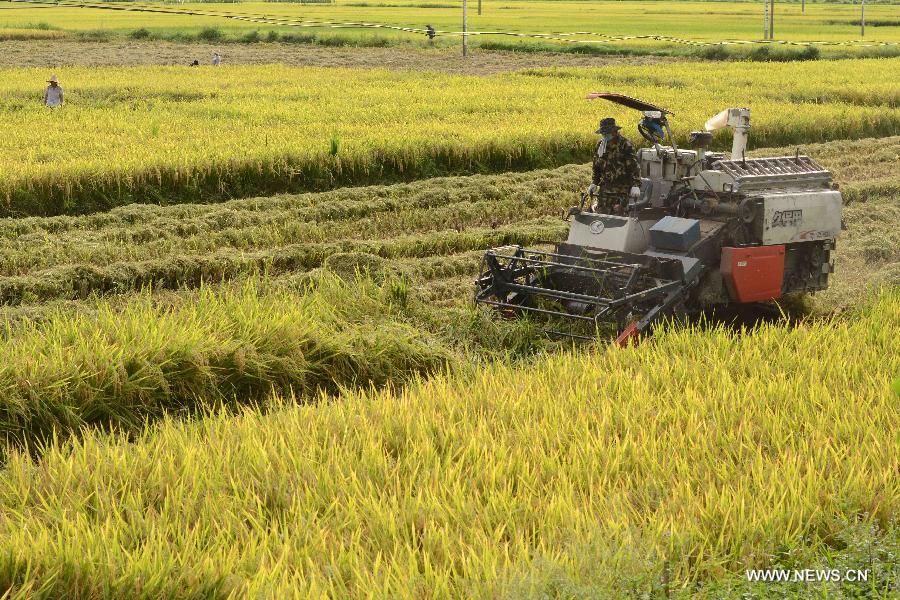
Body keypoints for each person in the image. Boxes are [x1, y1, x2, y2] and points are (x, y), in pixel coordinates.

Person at [589, 117, 641, 214]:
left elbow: (634, 167)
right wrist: (594, 182)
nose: (605, 135)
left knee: (618, 218)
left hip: (621, 190)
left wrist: (635, 185)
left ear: (614, 131)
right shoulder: (600, 145)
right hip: (605, 189)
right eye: (603, 133)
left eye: (607, 133)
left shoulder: (625, 145)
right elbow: (596, 166)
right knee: (601, 217)